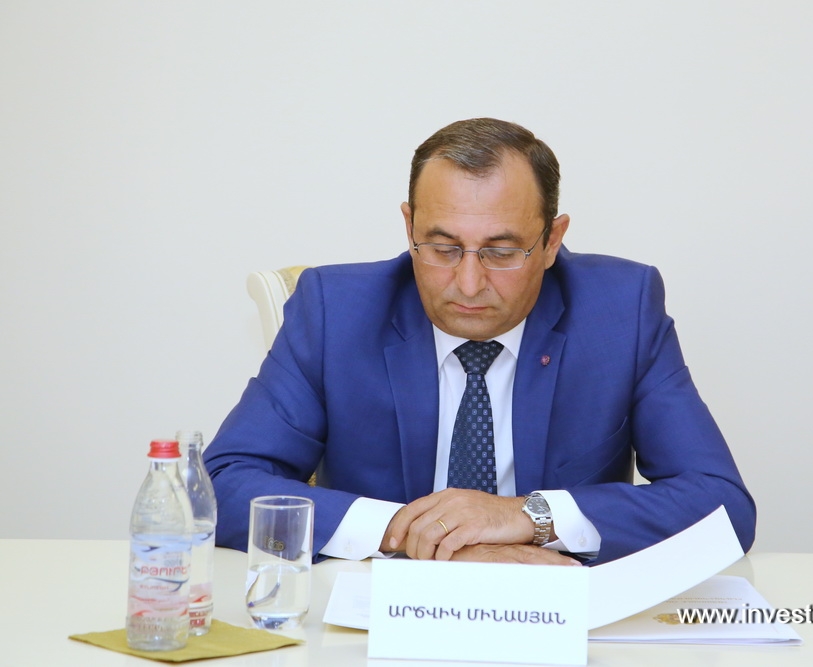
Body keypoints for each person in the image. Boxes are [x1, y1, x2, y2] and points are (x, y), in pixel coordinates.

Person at [204, 117, 755, 566]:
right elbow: (221, 486)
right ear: (409, 227)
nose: (468, 284)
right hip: (379, 614)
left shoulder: (620, 311)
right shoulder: (336, 310)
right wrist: (419, 533)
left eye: (501, 251)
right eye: (442, 248)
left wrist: (527, 517)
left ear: (551, 240)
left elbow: (722, 506)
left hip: (555, 615)